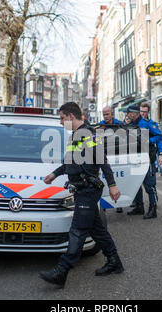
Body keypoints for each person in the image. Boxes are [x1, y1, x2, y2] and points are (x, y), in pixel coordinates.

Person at [39, 102, 122, 288]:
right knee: (96, 230)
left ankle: (62, 270)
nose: (61, 122)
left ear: (70, 116)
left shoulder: (89, 135)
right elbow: (69, 163)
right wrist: (54, 174)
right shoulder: (76, 136)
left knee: (77, 230)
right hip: (81, 189)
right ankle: (114, 262)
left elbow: (103, 161)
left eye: (62, 118)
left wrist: (113, 185)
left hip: (89, 190)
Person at [126, 103, 162, 219]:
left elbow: (159, 137)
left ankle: (153, 209)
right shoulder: (130, 125)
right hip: (135, 158)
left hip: (147, 158)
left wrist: (148, 140)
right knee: (136, 184)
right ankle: (139, 206)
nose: (127, 115)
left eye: (128, 113)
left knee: (149, 184)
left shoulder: (147, 124)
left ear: (133, 114)